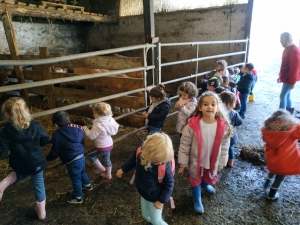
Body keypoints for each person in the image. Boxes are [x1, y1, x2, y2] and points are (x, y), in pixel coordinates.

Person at [178, 91, 232, 213]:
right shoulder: (192, 125)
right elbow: (184, 144)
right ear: (200, 107)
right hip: (196, 159)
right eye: (206, 104)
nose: (209, 107)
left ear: (217, 108)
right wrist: (183, 162)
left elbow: (224, 147)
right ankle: (197, 199)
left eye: (213, 104)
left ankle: (205, 184)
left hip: (212, 159)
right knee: (195, 176)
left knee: (208, 173)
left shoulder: (223, 127)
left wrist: (221, 163)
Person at [0, 97, 50, 220]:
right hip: (36, 163)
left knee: (17, 173)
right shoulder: (36, 126)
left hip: (19, 163)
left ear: (7, 115)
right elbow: (46, 140)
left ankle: (2, 185)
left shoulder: (6, 131)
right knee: (39, 185)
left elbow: (3, 151)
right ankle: (41, 213)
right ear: (27, 110)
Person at [116, 133, 174, 225]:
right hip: (144, 192)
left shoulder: (164, 166)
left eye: (163, 160)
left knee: (157, 221)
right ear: (148, 153)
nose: (161, 162)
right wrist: (123, 169)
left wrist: (161, 201)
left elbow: (169, 184)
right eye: (157, 160)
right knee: (146, 215)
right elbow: (131, 161)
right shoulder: (140, 153)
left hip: (155, 197)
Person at [47, 110, 93, 204]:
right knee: (82, 172)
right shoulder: (78, 128)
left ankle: (78, 197)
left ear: (55, 125)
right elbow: (82, 141)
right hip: (81, 155)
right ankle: (88, 185)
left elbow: (55, 150)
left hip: (72, 160)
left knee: (75, 179)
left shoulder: (57, 134)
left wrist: (49, 158)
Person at [262, 110, 300, 200]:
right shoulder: (293, 129)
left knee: (273, 170)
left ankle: (266, 184)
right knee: (279, 178)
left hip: (271, 159)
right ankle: (272, 195)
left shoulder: (267, 130)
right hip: (284, 160)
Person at [84, 102, 119, 180]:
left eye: (94, 112)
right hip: (109, 145)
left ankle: (101, 169)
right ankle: (108, 175)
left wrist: (85, 129)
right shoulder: (110, 119)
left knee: (89, 155)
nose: (93, 114)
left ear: (97, 115)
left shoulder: (98, 124)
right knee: (107, 159)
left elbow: (91, 136)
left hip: (101, 147)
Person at [278, 32, 300, 113]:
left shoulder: (294, 50)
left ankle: (280, 115)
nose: (280, 40)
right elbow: (284, 65)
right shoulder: (287, 49)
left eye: (282, 38)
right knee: (287, 95)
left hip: (289, 78)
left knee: (282, 95)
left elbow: (295, 68)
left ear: (287, 39)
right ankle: (288, 110)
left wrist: (292, 82)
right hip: (286, 77)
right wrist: (280, 76)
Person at [220, 92, 243, 167]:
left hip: (220, 136)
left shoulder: (217, 113)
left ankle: (219, 160)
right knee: (230, 147)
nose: (235, 105)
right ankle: (230, 161)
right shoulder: (234, 113)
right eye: (234, 103)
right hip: (231, 135)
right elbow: (239, 122)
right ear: (229, 104)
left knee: (220, 148)